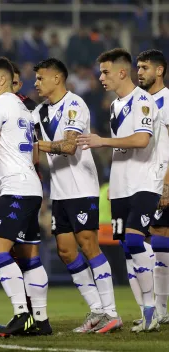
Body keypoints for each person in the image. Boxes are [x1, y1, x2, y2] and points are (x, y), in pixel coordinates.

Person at [77, 48, 162, 333]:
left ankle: (153, 308)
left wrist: (102, 142)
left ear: (122, 72)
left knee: (137, 241)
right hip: (120, 186)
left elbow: (141, 140)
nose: (101, 77)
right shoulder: (115, 105)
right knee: (127, 249)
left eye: (105, 72)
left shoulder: (144, 101)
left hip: (144, 183)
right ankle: (144, 312)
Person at [33, 58, 120, 333]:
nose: (36, 83)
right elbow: (33, 150)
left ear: (57, 78)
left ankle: (112, 312)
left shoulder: (74, 104)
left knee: (88, 244)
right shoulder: (38, 113)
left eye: (40, 78)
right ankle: (96, 310)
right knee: (66, 251)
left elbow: (70, 146)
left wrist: (36, 144)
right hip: (59, 191)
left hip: (81, 187)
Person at [0, 57, 45, 337]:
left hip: (16, 189)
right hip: (30, 187)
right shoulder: (22, 107)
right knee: (30, 258)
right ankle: (41, 319)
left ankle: (21, 314)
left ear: (2, 80)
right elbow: (31, 152)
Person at [137, 49, 169, 324]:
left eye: (145, 67)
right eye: (138, 67)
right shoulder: (142, 101)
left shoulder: (166, 100)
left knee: (159, 238)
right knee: (158, 239)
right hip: (148, 179)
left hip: (163, 177)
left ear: (159, 71)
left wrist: (167, 183)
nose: (140, 72)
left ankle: (160, 309)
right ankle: (161, 309)